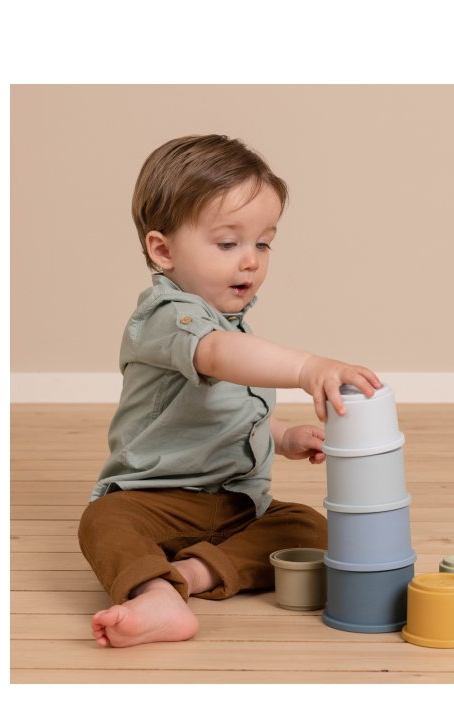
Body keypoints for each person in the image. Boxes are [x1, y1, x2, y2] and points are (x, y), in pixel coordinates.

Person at [78, 135, 381, 648]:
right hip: (155, 502)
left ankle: (187, 576)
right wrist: (307, 368)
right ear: (163, 250)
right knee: (103, 521)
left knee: (310, 529)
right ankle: (154, 592)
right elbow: (218, 356)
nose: (251, 261)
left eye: (263, 243)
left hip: (239, 504)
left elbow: (229, 409)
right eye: (228, 244)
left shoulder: (231, 324)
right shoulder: (167, 318)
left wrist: (281, 437)